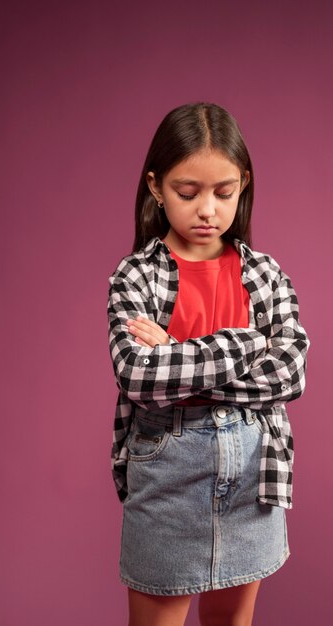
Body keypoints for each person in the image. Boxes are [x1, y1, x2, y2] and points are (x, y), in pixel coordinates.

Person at [106, 102, 310, 626]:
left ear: (243, 184)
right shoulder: (136, 278)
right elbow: (140, 378)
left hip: (253, 475)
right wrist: (247, 343)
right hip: (166, 475)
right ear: (156, 187)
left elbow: (290, 373)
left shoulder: (264, 275)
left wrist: (176, 351)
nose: (208, 210)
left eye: (224, 193)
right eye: (187, 192)